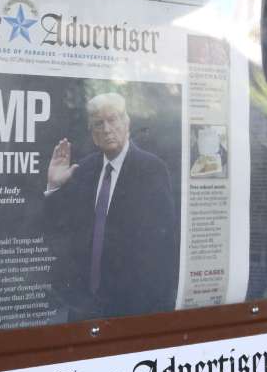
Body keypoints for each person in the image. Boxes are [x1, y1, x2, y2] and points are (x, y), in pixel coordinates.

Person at [42, 92, 179, 320]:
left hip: (131, 309)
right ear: (93, 134)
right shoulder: (83, 170)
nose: (106, 129)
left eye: (113, 119)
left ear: (127, 123)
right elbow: (59, 229)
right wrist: (54, 186)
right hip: (84, 309)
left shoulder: (152, 170)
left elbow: (162, 248)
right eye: (98, 124)